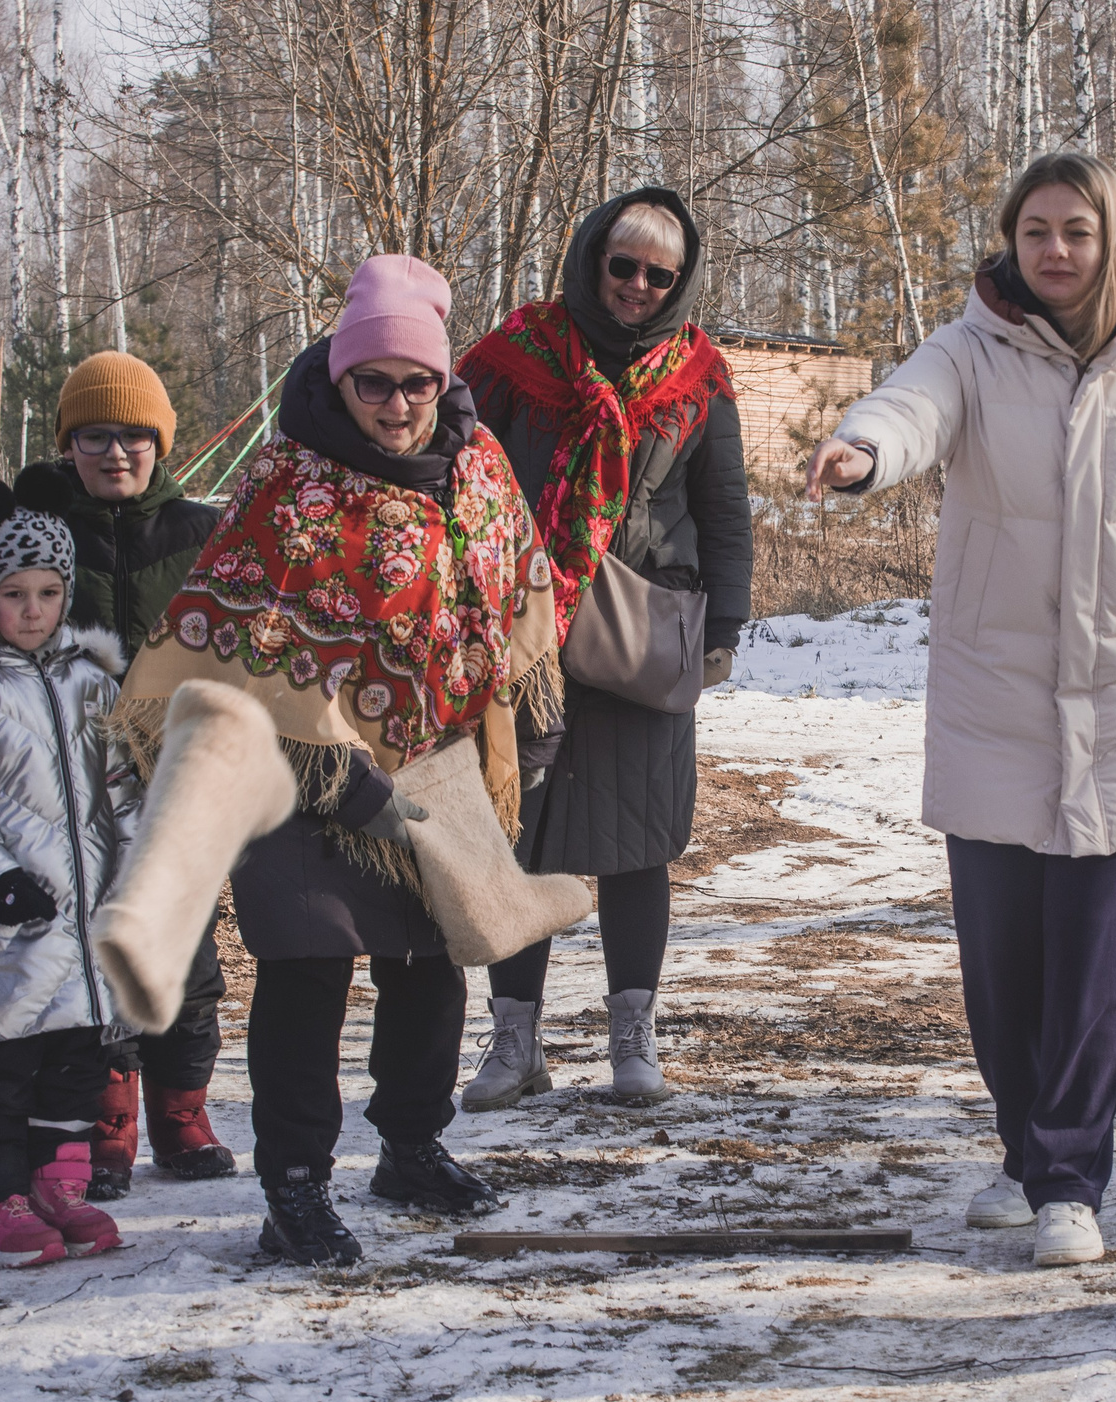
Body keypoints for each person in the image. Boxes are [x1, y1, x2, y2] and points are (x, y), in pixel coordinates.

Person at [805, 153, 1116, 1268]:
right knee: (1004, 965)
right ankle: (1020, 1147)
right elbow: (910, 408)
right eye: (1035, 230)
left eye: (1077, 232)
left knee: (1096, 965)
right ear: (1012, 240)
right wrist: (865, 452)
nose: (1054, 251)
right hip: (992, 702)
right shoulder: (972, 348)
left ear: (1113, 243)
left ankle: (1068, 1180)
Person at [109, 255, 559, 1266]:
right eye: (373, 381)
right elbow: (227, 634)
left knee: (429, 967)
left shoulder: (477, 467)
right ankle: (296, 1188)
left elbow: (518, 582)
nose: (396, 405)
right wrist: (337, 764)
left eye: (417, 382)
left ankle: (410, 1145)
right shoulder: (287, 480)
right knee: (307, 969)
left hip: (439, 760)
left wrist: (523, 728)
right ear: (339, 376)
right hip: (298, 769)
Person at [455, 187, 751, 1107]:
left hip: (642, 637)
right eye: (622, 265)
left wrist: (724, 629)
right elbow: (463, 480)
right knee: (520, 833)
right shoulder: (515, 358)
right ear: (591, 258)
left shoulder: (698, 375)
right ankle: (516, 1044)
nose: (636, 285)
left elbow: (724, 511)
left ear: (680, 281)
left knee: (637, 843)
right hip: (523, 634)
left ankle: (633, 1041)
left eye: (658, 274)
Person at [0, 469, 137, 1266]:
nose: (33, 610)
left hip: (87, 927)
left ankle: (55, 1188)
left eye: (48, 591)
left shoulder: (92, 682)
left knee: (76, 1065)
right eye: (14, 594)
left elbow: (123, 788)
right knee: (1, 1069)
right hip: (5, 926)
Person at [40, 351, 231, 1197]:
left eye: (134, 437)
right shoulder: (45, 531)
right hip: (73, 787)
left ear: (162, 443)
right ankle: (105, 1121)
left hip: (175, 781)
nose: (116, 454)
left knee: (184, 959)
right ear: (69, 444)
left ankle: (182, 1111)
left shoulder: (203, 534)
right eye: (95, 437)